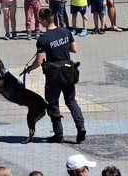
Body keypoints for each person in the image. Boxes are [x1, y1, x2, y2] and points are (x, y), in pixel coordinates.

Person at [21, 8, 86, 143]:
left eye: (40, 19)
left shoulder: (43, 39)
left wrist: (29, 69)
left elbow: (39, 61)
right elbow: (74, 49)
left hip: (53, 75)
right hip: (68, 72)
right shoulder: (65, 31)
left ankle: (59, 134)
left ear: (44, 21)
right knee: (71, 101)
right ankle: (81, 127)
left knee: (53, 104)